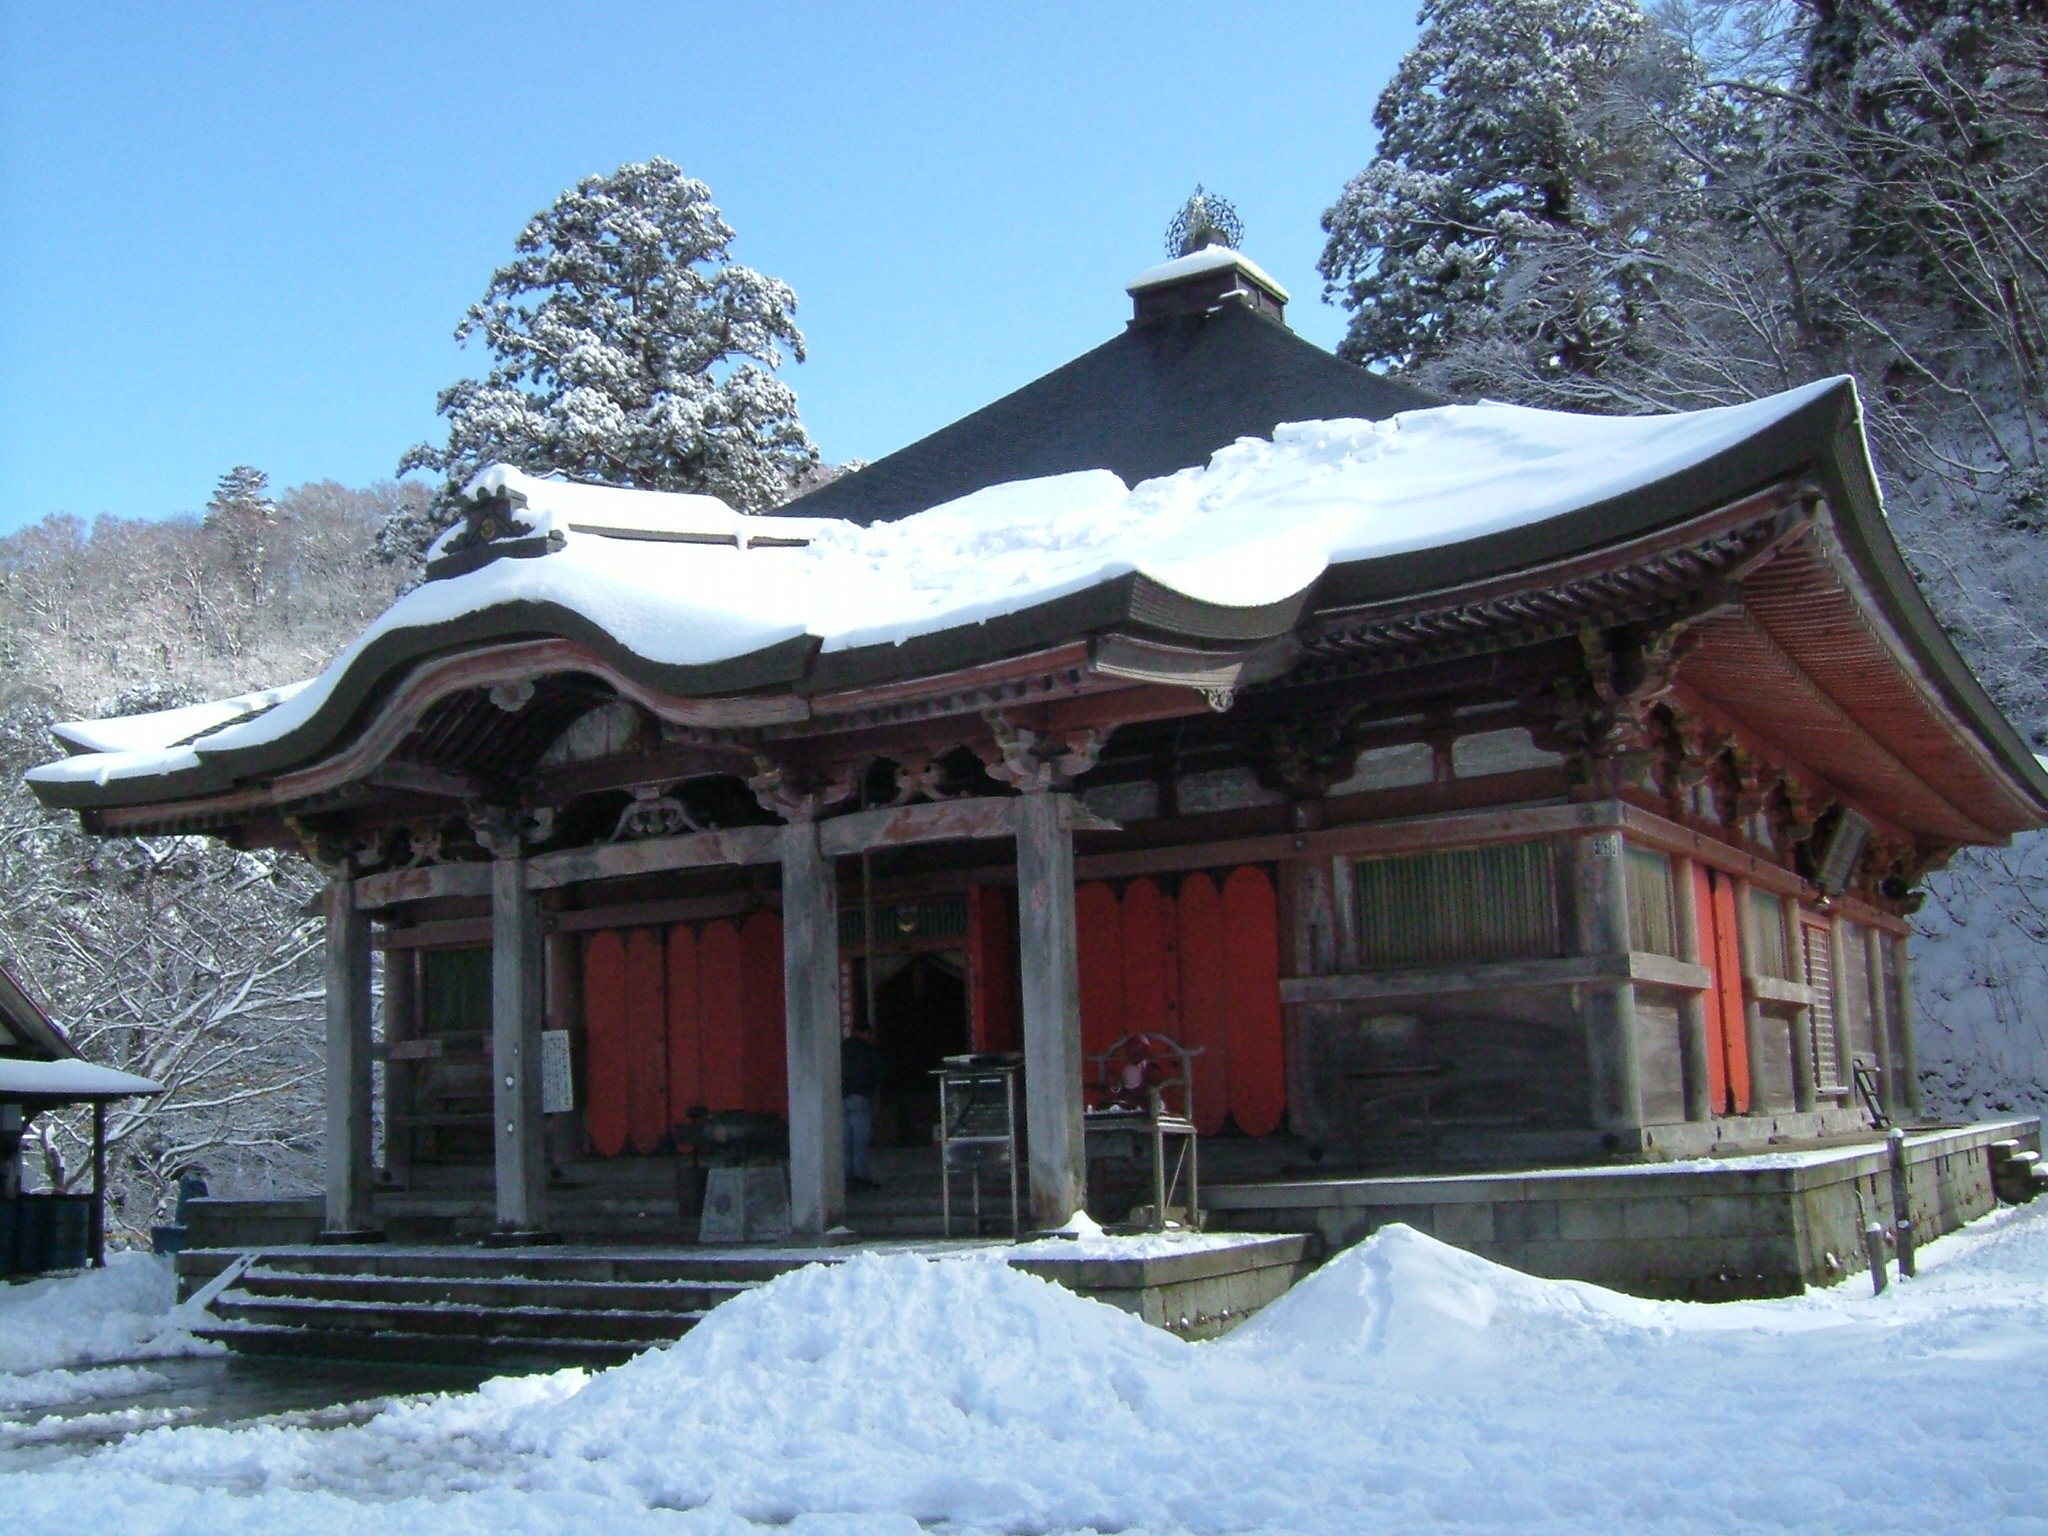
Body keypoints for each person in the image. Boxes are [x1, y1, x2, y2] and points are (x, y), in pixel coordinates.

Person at [841, 1021, 883, 1192]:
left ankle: (846, 1176)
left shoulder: (841, 1048)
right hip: (860, 1096)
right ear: (866, 1033)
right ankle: (861, 1176)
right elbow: (879, 1071)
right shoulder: (867, 1049)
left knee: (845, 1140)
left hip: (842, 1097)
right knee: (860, 1140)